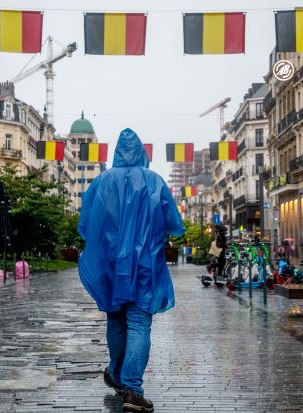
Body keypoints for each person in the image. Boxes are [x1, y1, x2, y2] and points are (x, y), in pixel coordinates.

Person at [78, 128, 185, 412]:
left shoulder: (101, 182)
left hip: (111, 266)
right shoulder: (154, 181)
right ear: (141, 152)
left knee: (115, 320)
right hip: (145, 265)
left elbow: (86, 224)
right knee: (139, 322)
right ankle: (132, 390)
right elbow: (174, 222)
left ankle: (116, 373)